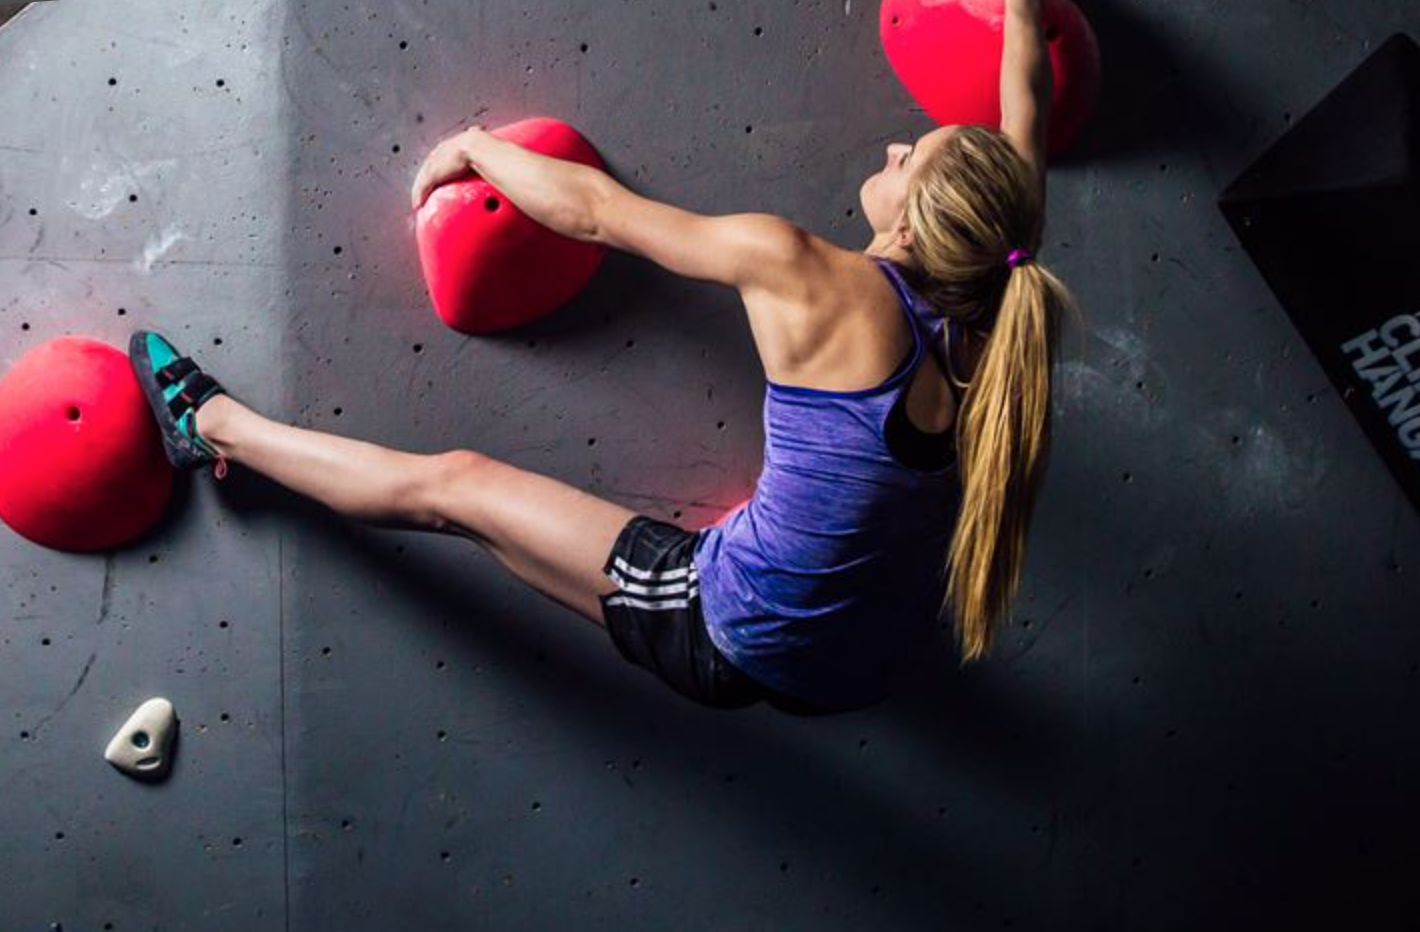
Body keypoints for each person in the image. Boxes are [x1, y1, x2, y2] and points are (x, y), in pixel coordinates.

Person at [128, 0, 1076, 716]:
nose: (896, 143)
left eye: (910, 157)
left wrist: (476, 148)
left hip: (736, 636)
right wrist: (1023, 10)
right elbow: (1022, 114)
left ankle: (206, 424)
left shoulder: (803, 273)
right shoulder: (1005, 283)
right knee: (509, 524)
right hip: (871, 659)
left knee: (457, 489)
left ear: (913, 218)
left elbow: (596, 214)